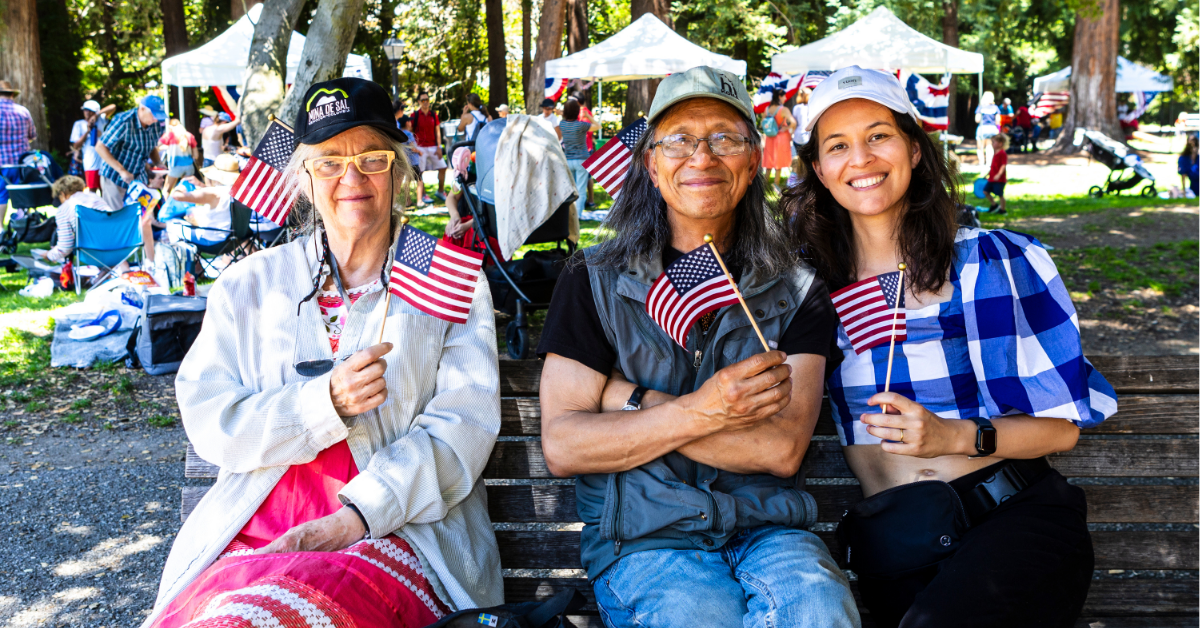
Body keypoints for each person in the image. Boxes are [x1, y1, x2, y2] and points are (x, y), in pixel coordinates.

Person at [142, 77, 502, 628]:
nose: (351, 178)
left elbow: (464, 427)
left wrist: (357, 516)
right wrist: (322, 403)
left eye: (372, 159)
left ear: (399, 172)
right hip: (252, 538)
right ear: (304, 179)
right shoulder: (249, 284)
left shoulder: (447, 279)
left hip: (394, 535)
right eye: (329, 162)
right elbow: (211, 417)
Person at [784, 66, 1117, 628]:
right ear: (819, 169)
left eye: (878, 135)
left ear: (914, 149)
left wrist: (953, 436)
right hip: (897, 545)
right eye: (837, 145)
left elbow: (1062, 430)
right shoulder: (805, 287)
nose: (860, 158)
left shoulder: (994, 261)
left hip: (1009, 520)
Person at [537, 65, 860, 628]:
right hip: (646, 542)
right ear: (651, 164)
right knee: (697, 616)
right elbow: (566, 445)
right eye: (680, 140)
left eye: (724, 139)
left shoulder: (797, 288)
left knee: (818, 607)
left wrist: (634, 401)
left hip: (770, 533)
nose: (702, 157)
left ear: (753, 161)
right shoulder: (592, 279)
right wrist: (705, 411)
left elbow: (781, 449)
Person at [95, 94, 166, 211]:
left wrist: (158, 163)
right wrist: (122, 171)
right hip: (115, 177)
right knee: (117, 215)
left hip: (138, 177)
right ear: (142, 109)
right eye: (154, 115)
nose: (156, 119)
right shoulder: (124, 121)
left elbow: (151, 146)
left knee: (140, 213)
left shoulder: (156, 124)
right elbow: (100, 147)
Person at [40, 175, 110, 264]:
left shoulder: (64, 209)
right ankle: (120, 270)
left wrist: (50, 255)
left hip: (94, 251)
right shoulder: (95, 198)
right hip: (120, 244)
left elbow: (65, 246)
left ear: (62, 194)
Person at [0, 79, 36, 227]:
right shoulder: (23, 111)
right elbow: (32, 136)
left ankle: (0, 229)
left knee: (1, 197)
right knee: (22, 195)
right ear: (11, 95)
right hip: (21, 164)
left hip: (2, 164)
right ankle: (24, 227)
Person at [559, 98, 598, 218]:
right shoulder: (581, 125)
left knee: (571, 189)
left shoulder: (562, 124)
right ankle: (577, 215)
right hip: (582, 159)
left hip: (568, 159)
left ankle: (570, 215)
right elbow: (598, 126)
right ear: (577, 112)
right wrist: (587, 115)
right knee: (581, 189)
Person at [70, 100, 117, 192]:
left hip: (104, 162)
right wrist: (88, 131)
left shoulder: (101, 120)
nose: (86, 113)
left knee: (105, 189)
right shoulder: (79, 124)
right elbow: (75, 146)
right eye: (85, 110)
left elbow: (113, 107)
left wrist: (97, 115)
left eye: (89, 110)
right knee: (92, 189)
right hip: (90, 162)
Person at [411, 90, 447, 203]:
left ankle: (440, 191)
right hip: (420, 147)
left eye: (427, 99)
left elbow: (438, 132)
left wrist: (439, 147)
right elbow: (411, 132)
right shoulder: (415, 115)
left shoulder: (433, 115)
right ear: (419, 102)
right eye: (423, 100)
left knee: (443, 167)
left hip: (433, 146)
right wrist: (414, 147)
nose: (425, 102)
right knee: (420, 171)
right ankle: (423, 195)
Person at [761, 90, 796, 191]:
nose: (785, 98)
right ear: (780, 97)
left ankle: (764, 186)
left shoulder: (767, 109)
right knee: (778, 163)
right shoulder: (783, 109)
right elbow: (793, 122)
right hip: (780, 138)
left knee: (768, 162)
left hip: (769, 138)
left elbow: (763, 122)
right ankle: (775, 186)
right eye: (784, 96)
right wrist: (786, 129)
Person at [160, 118, 201, 193]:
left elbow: (157, 146)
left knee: (167, 190)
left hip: (175, 166)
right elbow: (196, 155)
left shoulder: (170, 135)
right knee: (188, 190)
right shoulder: (189, 135)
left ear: (170, 126)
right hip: (189, 167)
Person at [984, 132, 1009, 214]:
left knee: (1000, 195)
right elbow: (993, 166)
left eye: (994, 142)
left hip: (999, 179)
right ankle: (994, 205)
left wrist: (998, 175)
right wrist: (988, 174)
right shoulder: (995, 153)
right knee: (985, 191)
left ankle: (1003, 210)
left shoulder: (1002, 153)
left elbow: (1003, 165)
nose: (992, 144)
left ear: (1000, 143)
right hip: (992, 178)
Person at [974, 91, 1000, 167]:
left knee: (980, 147)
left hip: (982, 128)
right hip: (992, 128)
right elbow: (998, 120)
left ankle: (981, 163)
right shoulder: (995, 107)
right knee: (990, 146)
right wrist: (998, 129)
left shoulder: (980, 107)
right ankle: (989, 163)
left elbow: (977, 119)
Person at [791, 87, 812, 154]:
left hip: (797, 137)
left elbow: (794, 123)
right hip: (808, 137)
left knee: (799, 156)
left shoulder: (796, 107)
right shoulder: (810, 107)